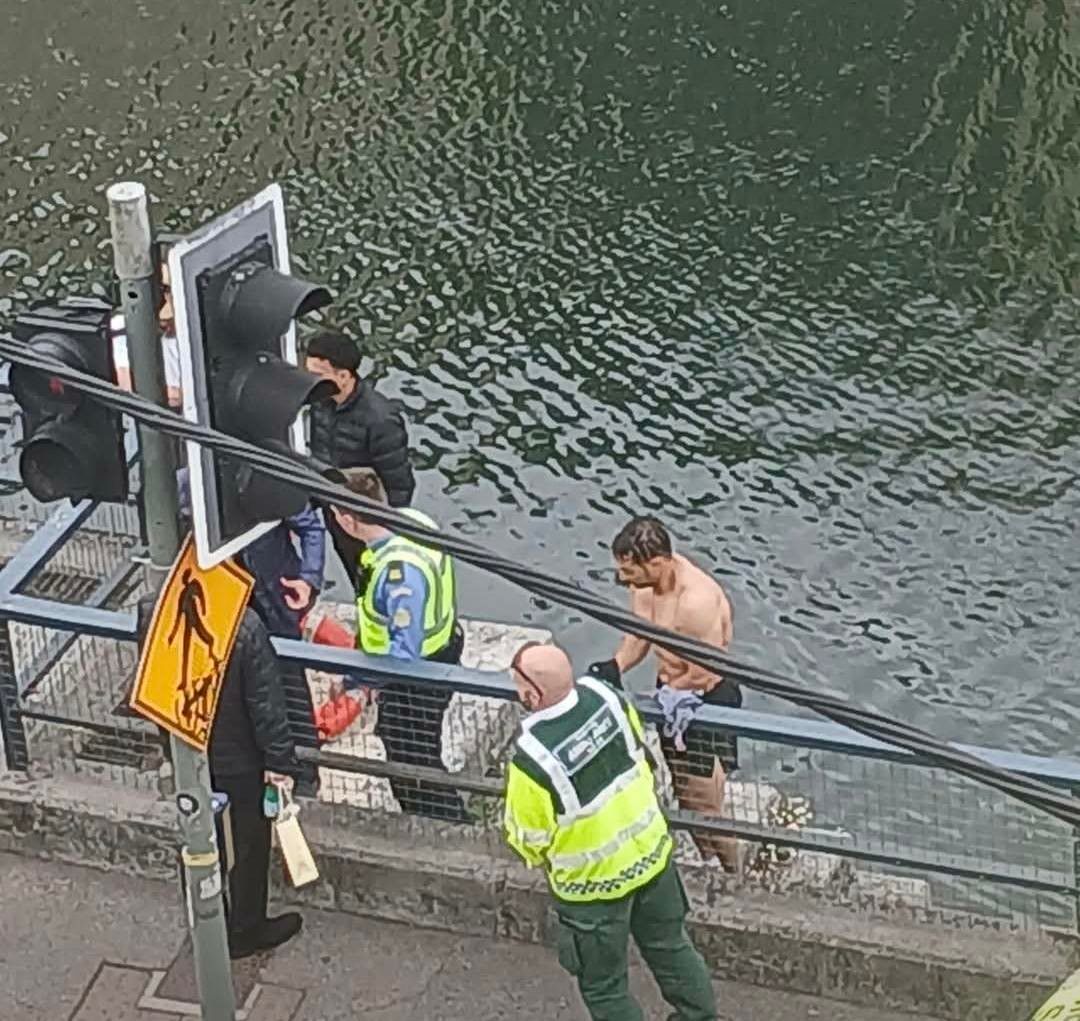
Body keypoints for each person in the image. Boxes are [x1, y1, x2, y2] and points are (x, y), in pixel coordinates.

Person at [504, 641, 717, 1021]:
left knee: (604, 986)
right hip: (652, 855)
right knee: (672, 948)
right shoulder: (607, 697)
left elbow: (529, 837)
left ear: (531, 693)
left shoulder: (532, 759)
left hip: (593, 890)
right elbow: (638, 752)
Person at [136, 597, 305, 960]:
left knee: (198, 836)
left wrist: (170, 745)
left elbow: (154, 683)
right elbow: (266, 703)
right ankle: (246, 929)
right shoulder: (245, 625)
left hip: (187, 749)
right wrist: (280, 761)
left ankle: (205, 921)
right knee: (248, 845)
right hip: (240, 758)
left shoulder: (152, 609)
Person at [588, 516, 740, 871]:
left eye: (630, 572)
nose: (623, 579)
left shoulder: (695, 602)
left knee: (706, 805)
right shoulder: (643, 585)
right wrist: (616, 666)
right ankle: (707, 861)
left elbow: (708, 669)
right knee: (682, 791)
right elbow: (640, 633)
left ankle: (736, 874)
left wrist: (674, 693)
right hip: (670, 693)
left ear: (655, 563)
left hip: (705, 700)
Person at [328, 468, 467, 822]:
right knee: (408, 749)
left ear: (348, 520)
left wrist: (357, 682)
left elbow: (403, 650)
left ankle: (448, 826)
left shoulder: (399, 572)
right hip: (440, 652)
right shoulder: (412, 520)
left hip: (418, 675)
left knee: (413, 764)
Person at [305, 331, 415, 586]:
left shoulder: (381, 420)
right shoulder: (319, 402)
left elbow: (399, 484)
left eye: (318, 374)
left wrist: (381, 532)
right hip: (335, 509)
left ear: (344, 376)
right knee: (358, 579)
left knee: (381, 582)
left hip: (368, 521)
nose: (310, 380)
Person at [111, 257, 182, 410]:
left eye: (170, 290)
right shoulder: (122, 327)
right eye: (162, 290)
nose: (165, 298)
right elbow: (126, 385)